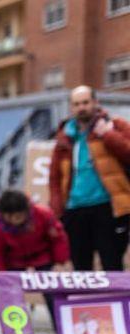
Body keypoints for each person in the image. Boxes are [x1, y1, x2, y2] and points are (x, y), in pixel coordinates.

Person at [49, 86, 130, 271]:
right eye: (76, 104)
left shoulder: (115, 125)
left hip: (108, 208)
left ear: (95, 103)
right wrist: (56, 213)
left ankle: (114, 301)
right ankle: (84, 301)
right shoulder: (65, 137)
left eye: (85, 102)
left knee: (112, 265)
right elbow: (54, 178)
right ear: (71, 107)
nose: (81, 108)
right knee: (80, 270)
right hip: (74, 210)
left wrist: (108, 135)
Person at [0, 190, 70, 329]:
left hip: (42, 255)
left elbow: (58, 239)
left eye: (19, 216)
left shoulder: (43, 214)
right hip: (14, 260)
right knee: (9, 296)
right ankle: (14, 333)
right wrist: (1, 275)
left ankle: (62, 330)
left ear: (27, 210)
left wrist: (59, 262)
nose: (15, 220)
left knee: (53, 292)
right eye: (10, 216)